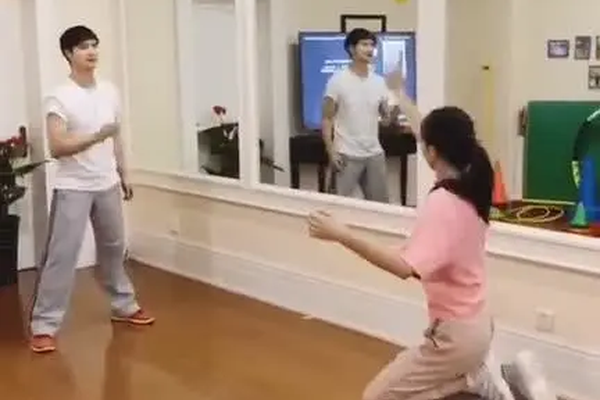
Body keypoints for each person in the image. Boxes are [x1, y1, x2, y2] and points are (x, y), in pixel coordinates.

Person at [309, 82, 518, 399]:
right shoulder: (474, 181)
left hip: (457, 339)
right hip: (477, 327)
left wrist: (341, 234)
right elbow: (428, 133)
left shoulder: (443, 202)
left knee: (376, 396)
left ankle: (474, 379)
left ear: (432, 152)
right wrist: (401, 95)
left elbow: (404, 267)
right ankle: (472, 378)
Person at [29, 25, 154, 354]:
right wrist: (97, 136)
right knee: (62, 255)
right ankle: (44, 325)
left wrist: (124, 172)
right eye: (84, 46)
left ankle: (124, 305)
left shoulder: (110, 91)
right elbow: (58, 146)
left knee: (114, 247)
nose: (92, 51)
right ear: (68, 53)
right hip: (73, 186)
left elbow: (116, 136)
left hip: (107, 182)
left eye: (95, 45)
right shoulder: (59, 96)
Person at [322, 28, 399, 203]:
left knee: (381, 207)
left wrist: (395, 112)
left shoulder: (379, 82)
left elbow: (385, 121)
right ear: (351, 49)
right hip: (345, 154)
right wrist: (331, 152)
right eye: (364, 44)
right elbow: (327, 118)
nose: (369, 49)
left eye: (372, 45)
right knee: (335, 205)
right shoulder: (337, 81)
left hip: (374, 154)